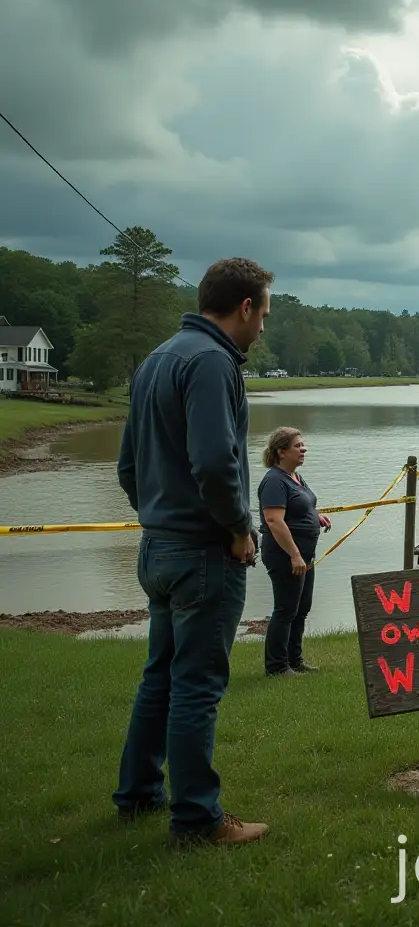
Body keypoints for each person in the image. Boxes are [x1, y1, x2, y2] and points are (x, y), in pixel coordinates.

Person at [113, 257, 274, 846]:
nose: (263, 328)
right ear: (246, 306)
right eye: (265, 314)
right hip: (204, 553)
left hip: (158, 548)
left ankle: (137, 795)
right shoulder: (211, 362)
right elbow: (215, 462)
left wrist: (156, 517)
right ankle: (199, 820)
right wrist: (235, 527)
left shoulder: (158, 357)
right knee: (197, 685)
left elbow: (128, 466)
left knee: (160, 676)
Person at [258, 427, 332, 676]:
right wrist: (294, 554)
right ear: (281, 451)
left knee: (302, 607)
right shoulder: (274, 481)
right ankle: (277, 666)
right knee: (286, 609)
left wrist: (316, 516)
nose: (304, 449)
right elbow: (274, 521)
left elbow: (301, 505)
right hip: (285, 555)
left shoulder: (295, 477)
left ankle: (294, 659)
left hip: (304, 555)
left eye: (303, 445)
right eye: (298, 446)